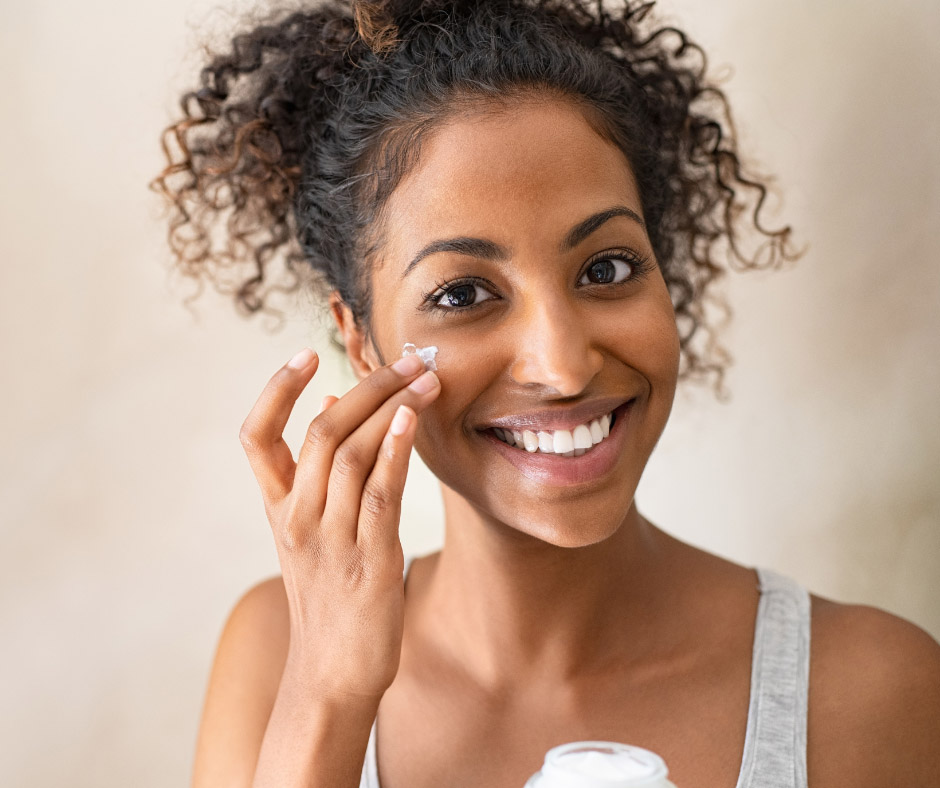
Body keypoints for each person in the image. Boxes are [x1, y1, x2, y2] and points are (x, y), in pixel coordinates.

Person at [151, 1, 940, 786]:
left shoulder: (869, 690)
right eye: (462, 294)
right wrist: (327, 695)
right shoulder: (275, 654)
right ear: (360, 341)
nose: (562, 367)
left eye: (606, 268)